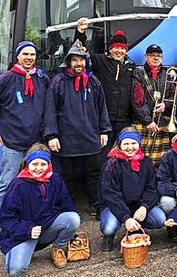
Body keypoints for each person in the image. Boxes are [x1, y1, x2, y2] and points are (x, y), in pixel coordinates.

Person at [0, 41, 51, 235]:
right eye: (25, 54)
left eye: (32, 54)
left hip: (36, 142)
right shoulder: (5, 79)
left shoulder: (42, 78)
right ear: (18, 57)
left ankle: (31, 215)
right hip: (13, 140)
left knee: (37, 180)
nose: (29, 58)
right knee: (7, 181)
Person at [44, 39, 112, 215]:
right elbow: (50, 109)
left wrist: (104, 130)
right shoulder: (58, 82)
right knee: (68, 177)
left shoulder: (93, 82)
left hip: (91, 136)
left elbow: (101, 107)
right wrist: (51, 135)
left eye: (81, 60)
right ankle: (68, 208)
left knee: (94, 174)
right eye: (75, 60)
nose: (78, 63)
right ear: (68, 61)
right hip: (67, 139)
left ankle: (96, 206)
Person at [0, 144, 80, 275]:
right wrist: (27, 230)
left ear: (49, 165)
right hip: (24, 233)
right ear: (27, 164)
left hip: (46, 228)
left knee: (73, 218)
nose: (39, 168)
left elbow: (66, 206)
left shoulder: (56, 180)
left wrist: (71, 235)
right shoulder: (17, 185)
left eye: (43, 164)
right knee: (15, 270)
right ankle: (23, 250)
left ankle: (58, 248)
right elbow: (7, 219)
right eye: (35, 164)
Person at [75, 18, 136, 161]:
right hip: (103, 120)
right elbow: (80, 51)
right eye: (116, 47)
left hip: (124, 120)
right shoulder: (99, 61)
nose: (119, 51)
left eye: (122, 48)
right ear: (110, 48)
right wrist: (80, 32)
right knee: (101, 158)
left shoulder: (132, 66)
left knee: (122, 157)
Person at [97, 128, 167, 251]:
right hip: (114, 206)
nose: (130, 147)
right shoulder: (111, 165)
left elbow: (151, 188)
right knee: (109, 227)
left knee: (160, 219)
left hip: (138, 205)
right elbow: (111, 195)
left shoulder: (146, 162)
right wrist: (126, 218)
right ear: (119, 145)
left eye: (133, 143)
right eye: (126, 144)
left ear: (139, 145)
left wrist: (144, 206)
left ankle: (136, 228)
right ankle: (109, 236)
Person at [131, 44, 177, 165]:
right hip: (144, 123)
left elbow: (175, 96)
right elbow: (137, 99)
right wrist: (148, 120)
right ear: (146, 57)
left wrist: (165, 106)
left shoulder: (169, 73)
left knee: (161, 161)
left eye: (159, 56)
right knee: (140, 158)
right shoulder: (139, 72)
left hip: (162, 123)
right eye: (152, 55)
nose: (156, 58)